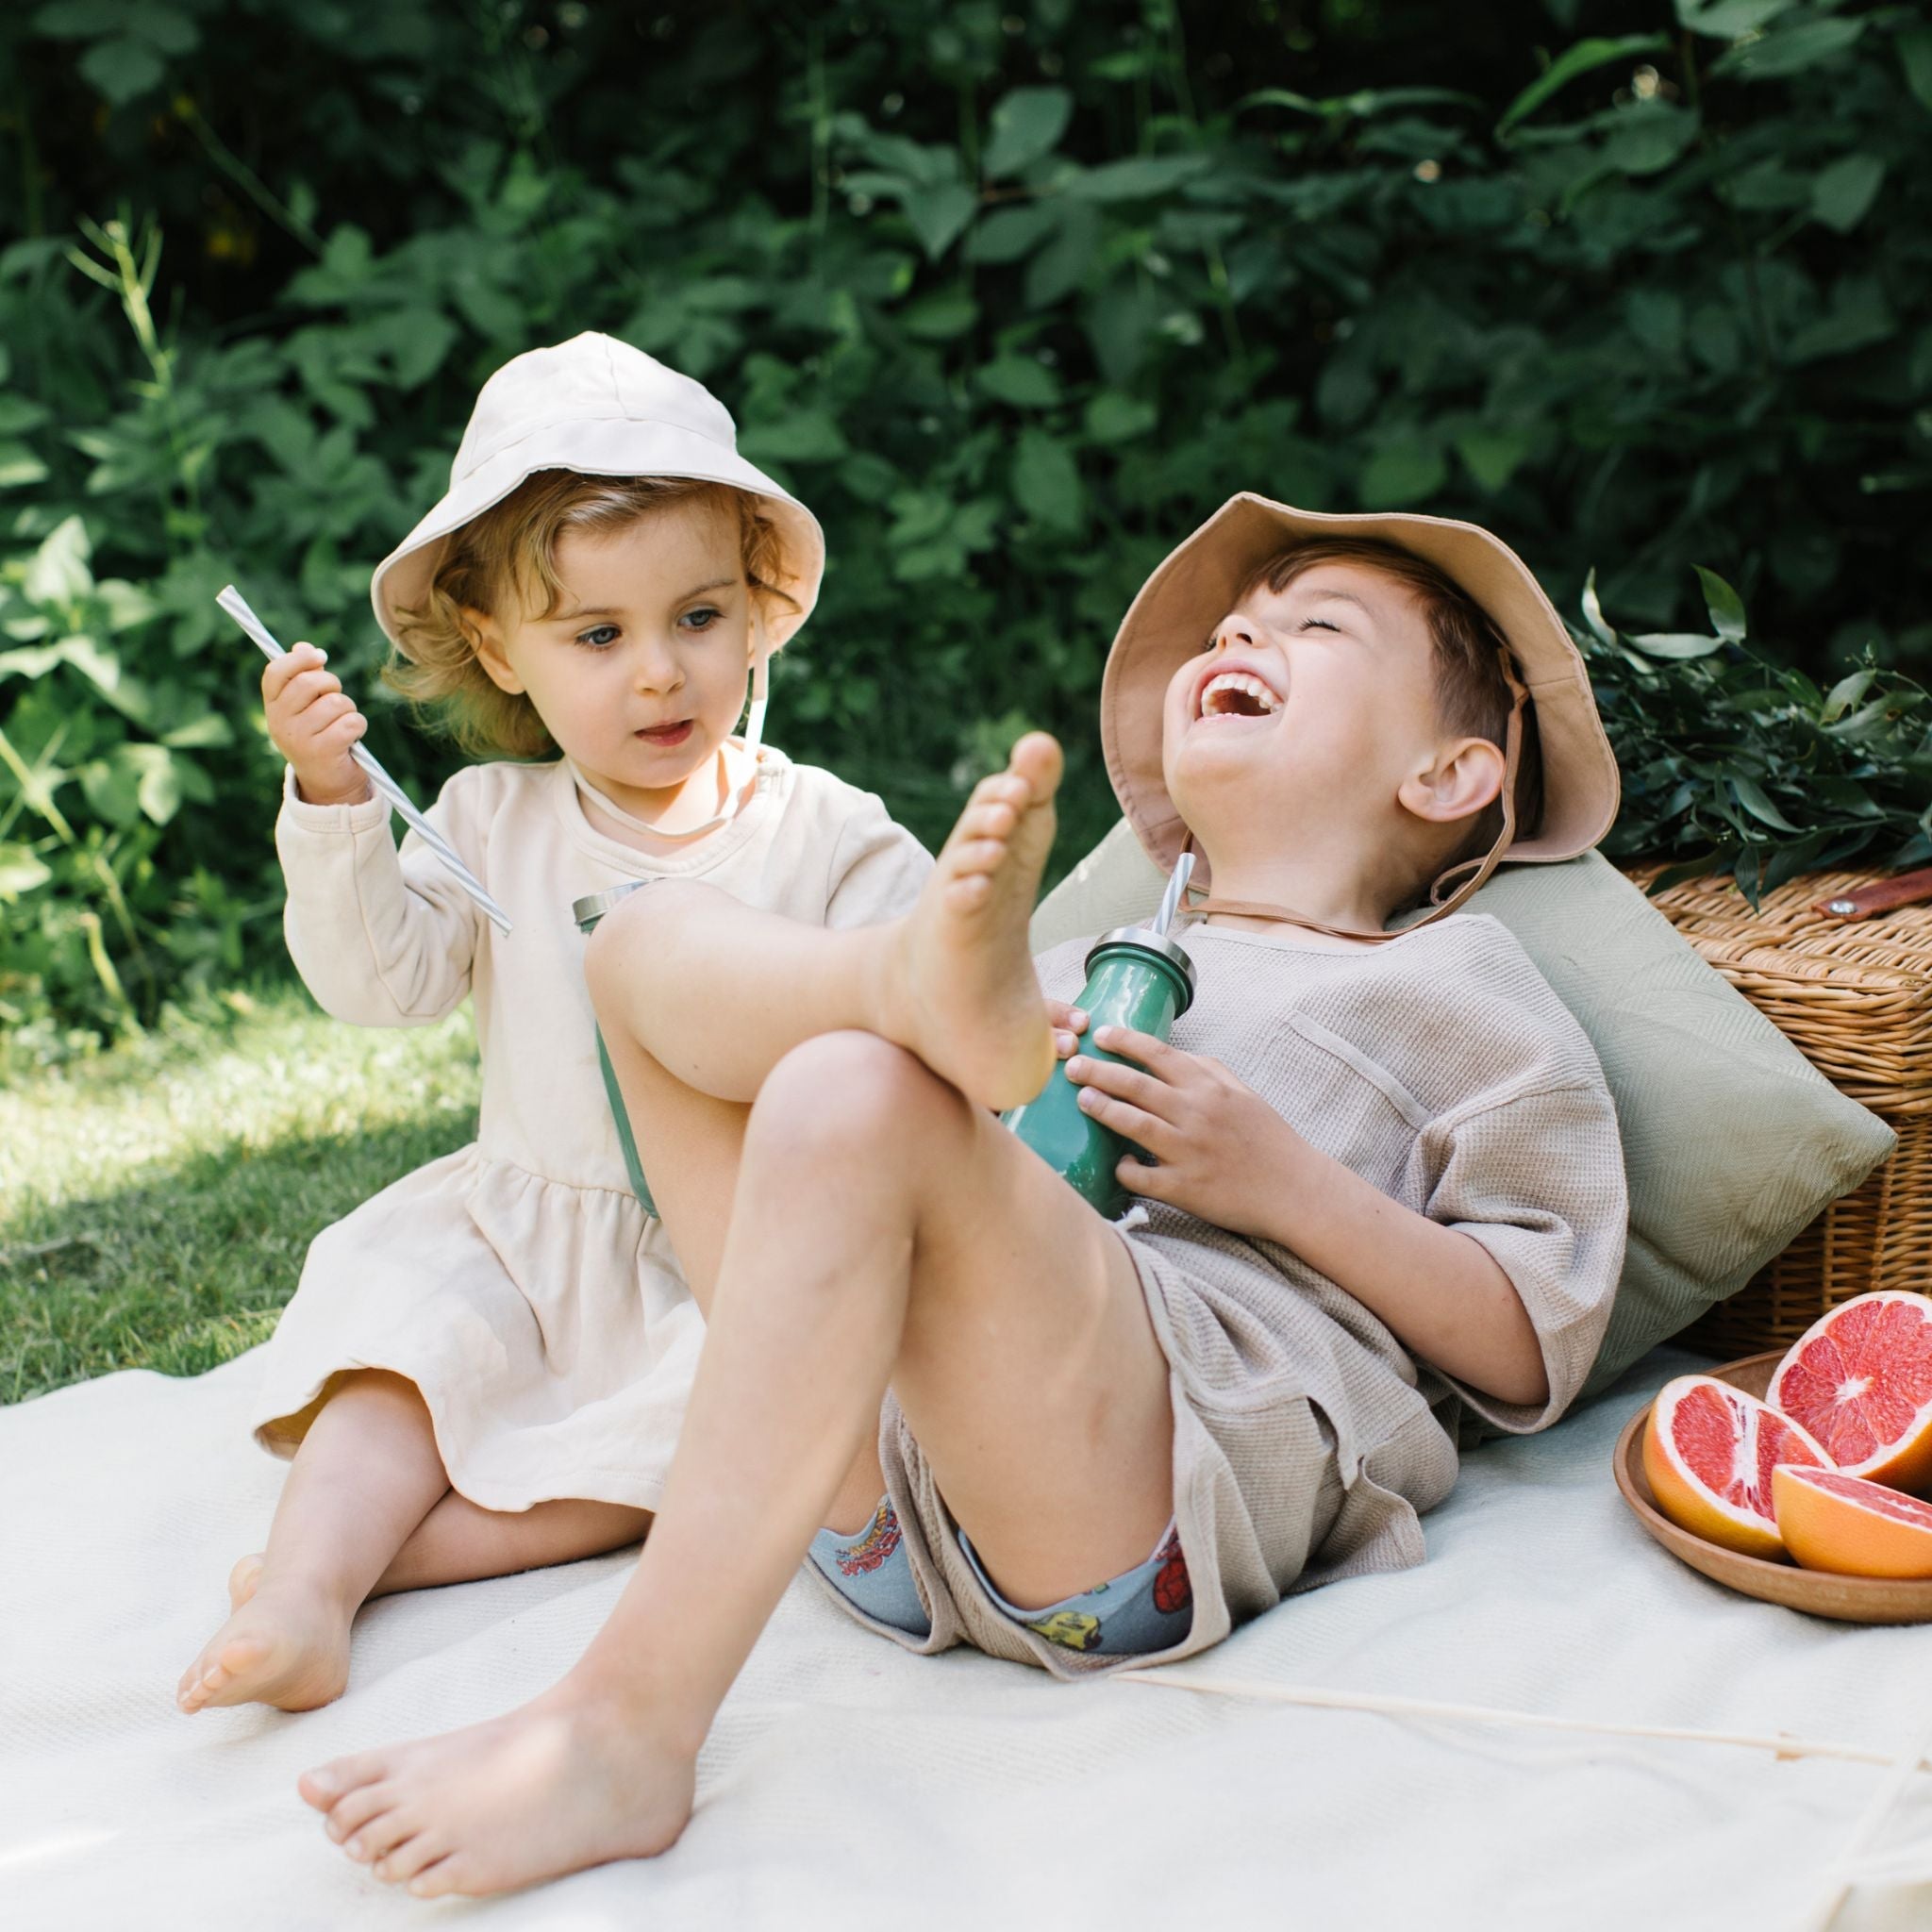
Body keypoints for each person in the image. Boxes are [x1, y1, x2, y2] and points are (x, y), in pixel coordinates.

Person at [295, 495, 1630, 1896]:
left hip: (1130, 1505)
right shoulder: (1061, 964)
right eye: (1240, 623)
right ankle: (881, 989)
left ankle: (627, 1723)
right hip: (873, 1502)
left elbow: (1536, 1339)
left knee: (850, 1092)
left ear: (1450, 773)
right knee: (635, 948)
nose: (1247, 630)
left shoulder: (1453, 987)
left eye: (1317, 625)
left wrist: (1281, 1184)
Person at [175, 333, 935, 1716]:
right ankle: (302, 1590)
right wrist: (336, 800)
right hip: (521, 1234)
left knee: (717, 1428)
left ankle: (389, 1565)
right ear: (497, 651)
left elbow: (927, 1003)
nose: (660, 674)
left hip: (727, 1260)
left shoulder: (827, 835)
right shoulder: (484, 825)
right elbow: (380, 986)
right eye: (599, 636)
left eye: (697, 619)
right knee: (401, 1353)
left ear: (760, 608)